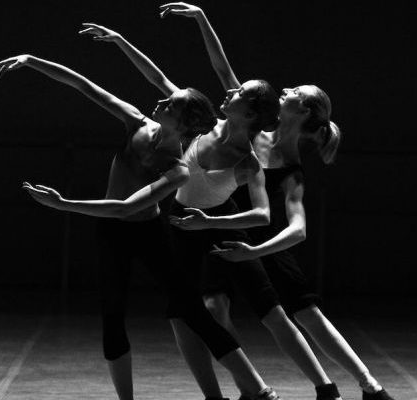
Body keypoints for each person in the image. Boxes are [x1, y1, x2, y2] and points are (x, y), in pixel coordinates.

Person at [0, 44, 279, 400]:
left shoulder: (176, 170)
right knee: (113, 317)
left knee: (192, 310)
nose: (159, 103)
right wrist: (32, 61)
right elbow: (86, 86)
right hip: (112, 234)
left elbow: (125, 208)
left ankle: (260, 391)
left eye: (170, 105)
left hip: (147, 233)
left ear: (184, 122)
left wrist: (63, 203)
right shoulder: (136, 121)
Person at [160, 3, 394, 400]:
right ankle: (251, 387)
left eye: (292, 92)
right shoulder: (252, 132)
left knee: (303, 314)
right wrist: (202, 18)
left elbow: (298, 230)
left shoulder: (290, 167)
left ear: (301, 110)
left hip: (263, 238)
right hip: (227, 226)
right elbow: (222, 68)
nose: (283, 91)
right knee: (215, 306)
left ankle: (363, 385)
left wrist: (257, 248)